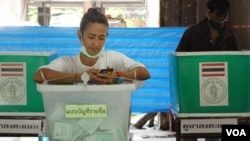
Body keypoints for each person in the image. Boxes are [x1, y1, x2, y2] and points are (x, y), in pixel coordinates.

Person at [33, 8, 150, 87]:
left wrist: (117, 76)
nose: (96, 44)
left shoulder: (113, 58)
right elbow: (40, 75)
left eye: (101, 38)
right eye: (91, 37)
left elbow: (144, 73)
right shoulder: (68, 63)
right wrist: (81, 77)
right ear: (80, 35)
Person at [175, 0, 239, 141]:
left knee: (215, 133)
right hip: (193, 94)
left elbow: (235, 64)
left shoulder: (230, 36)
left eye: (224, 16)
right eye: (218, 16)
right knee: (190, 134)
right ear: (208, 13)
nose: (221, 20)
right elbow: (179, 61)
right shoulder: (192, 33)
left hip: (219, 95)